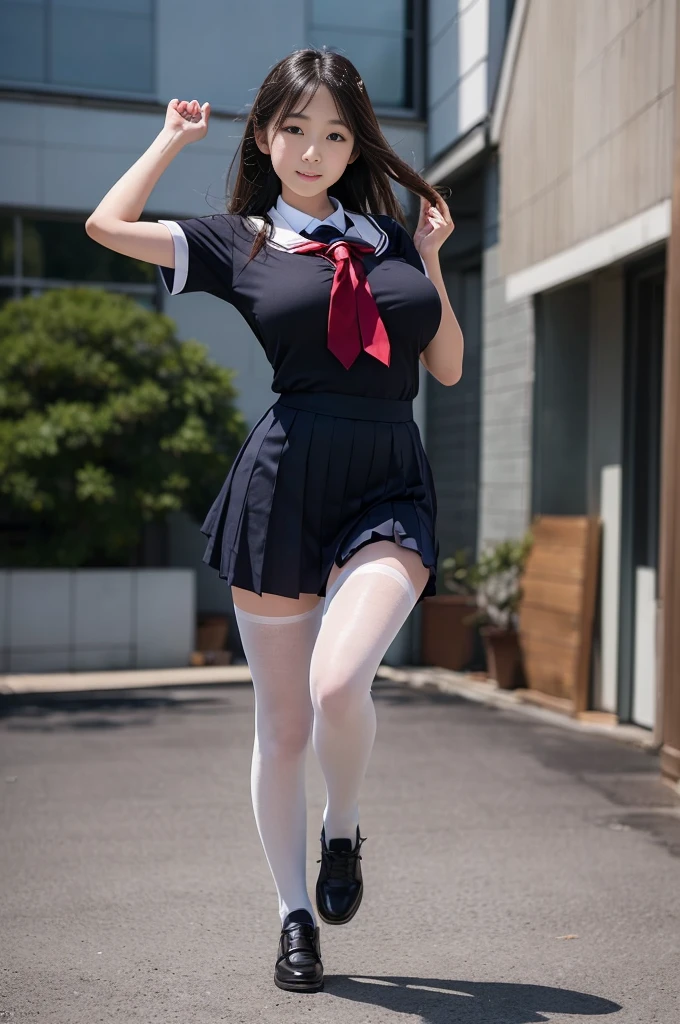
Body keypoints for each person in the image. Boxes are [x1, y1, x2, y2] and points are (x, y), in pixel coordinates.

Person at [85, 46, 462, 994]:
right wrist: (170, 140)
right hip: (285, 482)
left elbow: (448, 366)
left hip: (385, 476)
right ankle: (295, 914)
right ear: (265, 134)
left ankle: (345, 825)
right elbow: (106, 224)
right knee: (283, 724)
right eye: (295, 129)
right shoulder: (237, 240)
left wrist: (430, 261)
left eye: (335, 134)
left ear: (352, 147)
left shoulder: (384, 236)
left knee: (342, 682)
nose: (314, 149)